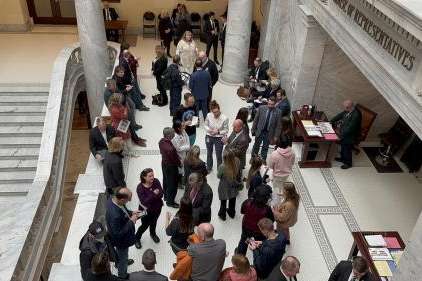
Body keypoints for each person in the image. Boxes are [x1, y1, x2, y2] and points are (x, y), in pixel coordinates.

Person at [106, 187, 139, 279]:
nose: (129, 201)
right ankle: (122, 275)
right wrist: (131, 221)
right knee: (123, 256)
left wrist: (131, 212)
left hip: (116, 235)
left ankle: (119, 262)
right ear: (122, 199)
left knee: (120, 256)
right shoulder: (115, 215)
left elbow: (123, 210)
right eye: (128, 200)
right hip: (121, 241)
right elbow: (118, 234)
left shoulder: (113, 199)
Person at [236, 185, 274, 255]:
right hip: (260, 230)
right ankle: (257, 256)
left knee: (244, 241)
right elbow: (271, 220)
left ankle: (240, 256)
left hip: (246, 227)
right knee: (259, 243)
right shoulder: (267, 209)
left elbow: (242, 211)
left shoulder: (247, 202)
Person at [134, 168, 164, 249]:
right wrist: (154, 194)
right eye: (150, 176)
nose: (152, 177)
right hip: (145, 211)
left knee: (154, 222)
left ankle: (153, 234)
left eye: (153, 175)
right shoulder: (140, 187)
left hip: (157, 208)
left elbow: (161, 194)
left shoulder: (156, 181)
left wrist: (151, 197)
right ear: (144, 177)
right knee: (144, 225)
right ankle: (137, 238)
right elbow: (144, 202)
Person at [330, 100, 362, 169]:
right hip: (344, 131)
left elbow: (350, 129)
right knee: (343, 146)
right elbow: (339, 115)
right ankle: (342, 158)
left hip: (350, 135)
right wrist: (331, 121)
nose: (344, 109)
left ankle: (348, 163)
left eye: (344, 107)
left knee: (346, 149)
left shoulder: (356, 115)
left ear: (349, 107)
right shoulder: (349, 110)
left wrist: (340, 136)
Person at [251, 96, 282, 161]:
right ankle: (253, 159)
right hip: (260, 131)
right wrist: (253, 129)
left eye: (272, 105)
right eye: (269, 104)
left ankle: (263, 161)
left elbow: (278, 126)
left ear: (275, 104)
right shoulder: (261, 108)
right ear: (267, 102)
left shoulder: (278, 112)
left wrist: (276, 136)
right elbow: (256, 120)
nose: (270, 106)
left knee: (265, 148)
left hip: (269, 133)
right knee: (256, 146)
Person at [159, 127, 181, 208]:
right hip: (171, 167)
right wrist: (180, 163)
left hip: (164, 164)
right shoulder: (170, 149)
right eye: (173, 133)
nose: (174, 134)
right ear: (168, 135)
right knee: (173, 184)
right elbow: (174, 159)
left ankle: (165, 196)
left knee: (165, 179)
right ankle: (170, 202)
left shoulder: (161, 141)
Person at [268, 139, 295, 203]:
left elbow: (271, 166)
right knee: (286, 191)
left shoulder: (275, 154)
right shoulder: (292, 152)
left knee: (276, 193)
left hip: (277, 177)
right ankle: (285, 202)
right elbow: (292, 163)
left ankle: (276, 205)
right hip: (287, 176)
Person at [204, 100, 229, 171]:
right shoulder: (209, 115)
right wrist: (209, 130)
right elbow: (205, 125)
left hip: (219, 138)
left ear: (219, 109)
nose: (215, 114)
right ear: (211, 111)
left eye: (217, 112)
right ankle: (209, 167)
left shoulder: (225, 118)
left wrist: (218, 131)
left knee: (218, 154)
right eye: (213, 112)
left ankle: (219, 170)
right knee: (209, 152)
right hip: (209, 136)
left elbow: (226, 130)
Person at [217, 149, 241, 220]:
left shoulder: (222, 166)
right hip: (234, 184)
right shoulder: (237, 161)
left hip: (224, 186)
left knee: (223, 201)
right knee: (232, 200)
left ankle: (222, 215)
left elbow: (218, 176)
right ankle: (231, 213)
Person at [172, 120, 190, 186]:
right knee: (179, 169)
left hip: (184, 153)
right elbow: (178, 148)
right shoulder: (175, 136)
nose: (184, 126)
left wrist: (187, 145)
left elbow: (187, 138)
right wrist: (187, 147)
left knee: (183, 168)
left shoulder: (183, 131)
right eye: (182, 126)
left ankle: (183, 179)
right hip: (179, 155)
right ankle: (179, 183)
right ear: (178, 128)